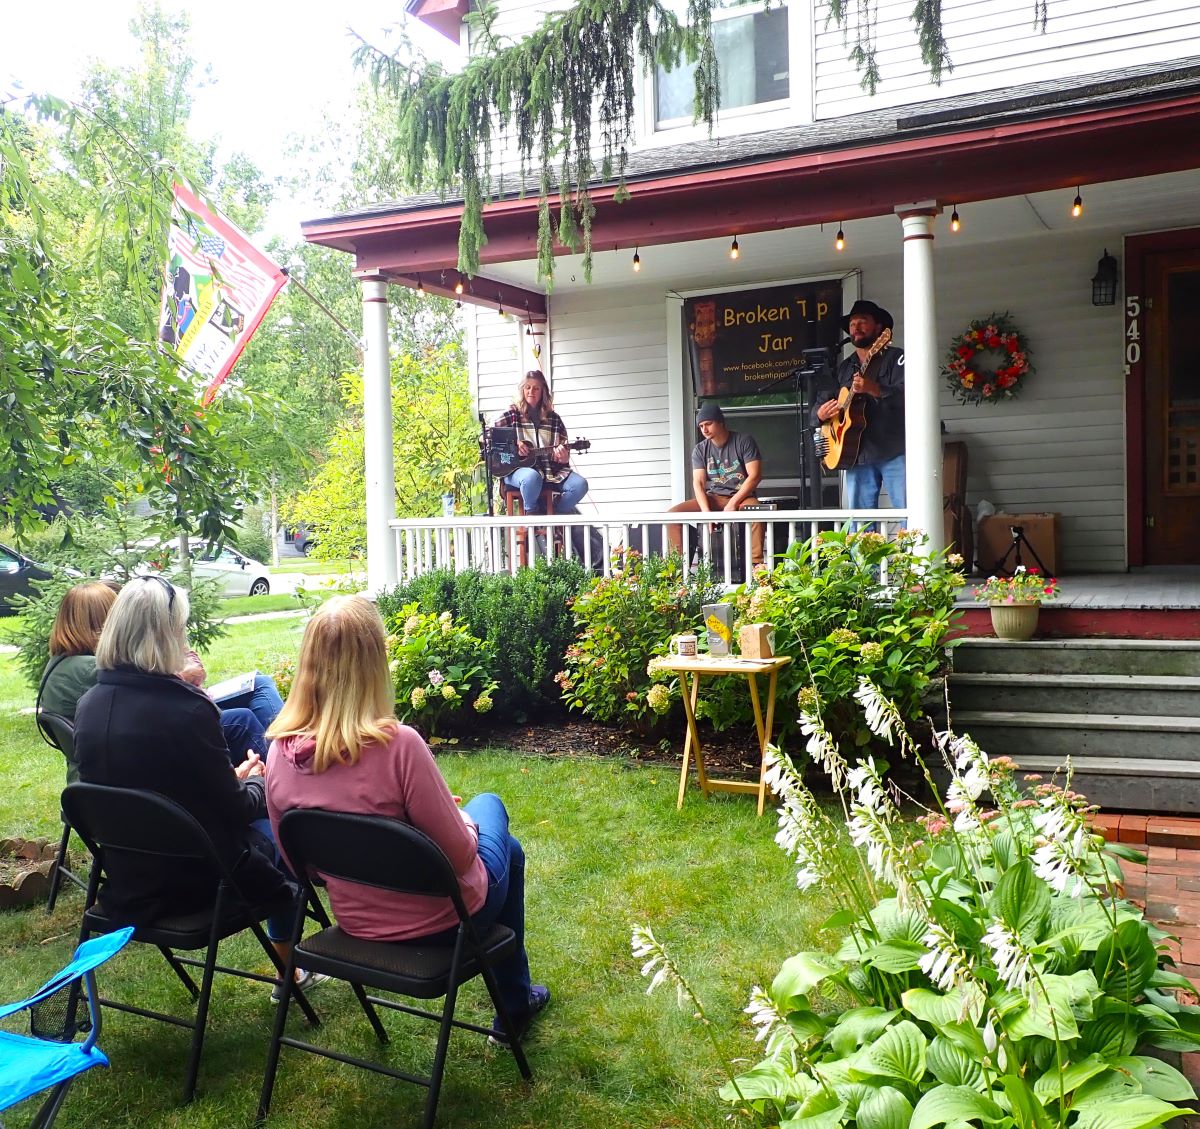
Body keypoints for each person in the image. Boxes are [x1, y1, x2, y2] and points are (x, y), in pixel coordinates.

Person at [265, 595, 550, 1043]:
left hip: (357, 923)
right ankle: (513, 1008)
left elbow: (307, 869)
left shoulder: (279, 754)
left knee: (505, 849)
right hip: (446, 924)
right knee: (492, 809)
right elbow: (459, 856)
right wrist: (462, 820)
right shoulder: (399, 746)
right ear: (374, 661)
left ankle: (516, 1003)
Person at [72, 576, 299, 963]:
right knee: (285, 823)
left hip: (131, 879)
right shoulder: (187, 709)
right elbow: (238, 811)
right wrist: (261, 780)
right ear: (167, 634)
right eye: (181, 628)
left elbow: (151, 789)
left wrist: (232, 782)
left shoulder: (89, 704)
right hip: (200, 879)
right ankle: (288, 973)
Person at [37, 581, 277, 767]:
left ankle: (288, 753)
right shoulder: (96, 669)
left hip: (108, 768)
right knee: (243, 717)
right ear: (108, 621)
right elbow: (159, 696)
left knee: (259, 685)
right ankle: (288, 765)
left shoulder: (60, 664)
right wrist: (183, 676)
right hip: (145, 748)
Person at [814, 300, 906, 512]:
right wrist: (820, 413)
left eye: (863, 321)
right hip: (856, 452)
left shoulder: (896, 358)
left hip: (893, 448)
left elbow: (909, 396)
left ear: (879, 328)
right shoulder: (844, 368)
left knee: (908, 514)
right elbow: (820, 404)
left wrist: (875, 389)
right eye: (853, 323)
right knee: (861, 524)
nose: (856, 327)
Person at [666, 402, 765, 565]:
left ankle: (756, 566)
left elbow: (755, 476)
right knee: (673, 515)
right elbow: (698, 483)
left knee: (757, 514)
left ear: (720, 422)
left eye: (708, 424)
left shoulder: (743, 441)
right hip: (714, 497)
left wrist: (733, 503)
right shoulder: (700, 449)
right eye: (701, 426)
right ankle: (676, 569)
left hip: (741, 497)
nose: (704, 429)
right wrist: (706, 513)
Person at [493, 369, 588, 514]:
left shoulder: (554, 419)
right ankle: (533, 517)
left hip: (551, 471)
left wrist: (563, 457)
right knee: (532, 477)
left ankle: (554, 516)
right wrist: (514, 444)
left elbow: (563, 456)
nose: (531, 391)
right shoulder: (512, 415)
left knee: (580, 485)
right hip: (517, 472)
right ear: (522, 390)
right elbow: (488, 436)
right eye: (528, 387)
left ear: (543, 391)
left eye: (536, 388)